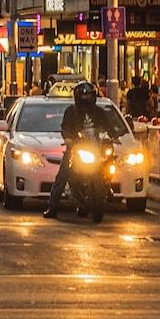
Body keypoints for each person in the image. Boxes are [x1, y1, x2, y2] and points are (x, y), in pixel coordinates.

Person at [42, 82, 108, 220]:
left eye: (89, 95)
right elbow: (65, 128)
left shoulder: (100, 112)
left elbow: (108, 128)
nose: (86, 98)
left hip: (95, 148)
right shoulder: (71, 112)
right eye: (84, 95)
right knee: (63, 175)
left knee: (108, 168)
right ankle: (52, 207)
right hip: (77, 148)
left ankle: (102, 195)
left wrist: (111, 138)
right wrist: (68, 139)